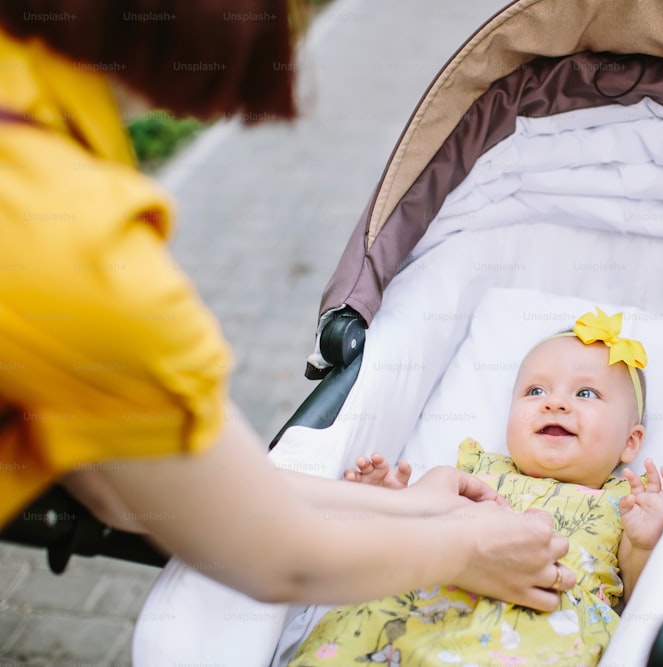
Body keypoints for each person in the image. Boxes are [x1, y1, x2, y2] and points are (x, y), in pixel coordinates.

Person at [0, 1, 571, 611]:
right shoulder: (84, 257)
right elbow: (281, 559)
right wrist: (463, 550)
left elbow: (132, 491)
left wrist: (408, 507)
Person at [288, 308, 663, 666]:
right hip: (425, 603)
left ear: (631, 442)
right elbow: (416, 535)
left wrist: (646, 544)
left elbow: (638, 600)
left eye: (585, 394)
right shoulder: (474, 472)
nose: (555, 404)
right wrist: (388, 503)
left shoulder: (624, 503)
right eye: (535, 391)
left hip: (541, 626)